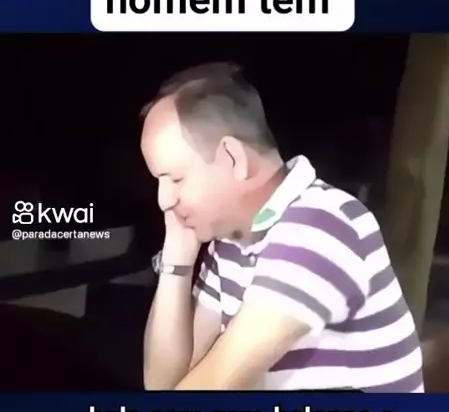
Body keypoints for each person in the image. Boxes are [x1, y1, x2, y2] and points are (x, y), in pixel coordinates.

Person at [140, 62, 424, 392]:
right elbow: (162, 386)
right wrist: (177, 258)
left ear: (234, 158)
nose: (164, 200)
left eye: (176, 179)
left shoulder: (320, 227)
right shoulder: (231, 242)